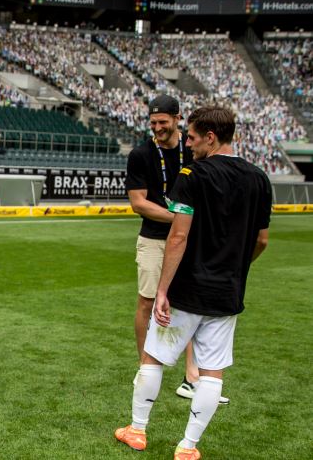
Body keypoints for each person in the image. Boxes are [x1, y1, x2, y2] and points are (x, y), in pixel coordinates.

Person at [115, 106, 271, 459]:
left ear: (211, 138)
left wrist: (163, 290)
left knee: (153, 357)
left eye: (193, 137)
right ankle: (188, 447)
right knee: (212, 371)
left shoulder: (192, 174)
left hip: (187, 287)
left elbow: (178, 237)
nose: (188, 142)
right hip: (227, 291)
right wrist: (234, 270)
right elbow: (261, 241)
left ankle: (137, 430)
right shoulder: (259, 178)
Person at [126, 94, 227, 403]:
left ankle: (192, 375)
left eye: (163, 122)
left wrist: (187, 223)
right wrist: (179, 218)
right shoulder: (141, 153)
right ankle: (145, 367)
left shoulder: (194, 147)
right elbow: (138, 202)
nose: (157, 127)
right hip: (155, 239)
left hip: (192, 241)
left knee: (190, 304)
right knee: (147, 302)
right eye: (153, 122)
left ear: (177, 119)